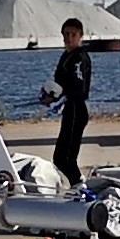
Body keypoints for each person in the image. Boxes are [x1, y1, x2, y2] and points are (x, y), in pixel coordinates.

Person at [40, 17, 92, 185]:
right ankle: (77, 185)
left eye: (73, 35)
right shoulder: (66, 56)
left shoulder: (79, 58)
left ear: (81, 36)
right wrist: (50, 95)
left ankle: (80, 186)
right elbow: (61, 83)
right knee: (60, 158)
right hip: (70, 109)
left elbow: (79, 88)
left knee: (66, 159)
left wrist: (58, 96)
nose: (69, 38)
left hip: (77, 109)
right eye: (66, 34)